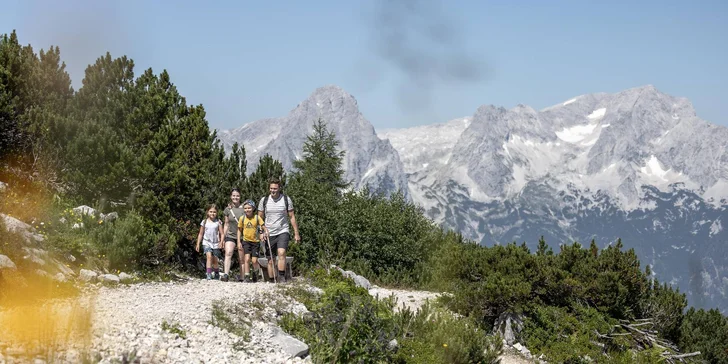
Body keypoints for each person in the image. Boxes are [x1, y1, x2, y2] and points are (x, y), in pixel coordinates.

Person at [258, 178, 300, 283]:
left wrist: (296, 233)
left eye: (275, 188)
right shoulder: (264, 200)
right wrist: (261, 232)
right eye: (271, 188)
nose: (273, 190)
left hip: (283, 230)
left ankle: (281, 277)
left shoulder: (286, 199)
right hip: (268, 232)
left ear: (279, 188)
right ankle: (272, 281)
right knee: (270, 260)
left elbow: (292, 217)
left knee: (282, 252)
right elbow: (259, 218)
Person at [237, 199, 268, 282]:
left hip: (255, 242)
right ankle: (247, 276)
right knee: (246, 259)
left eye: (249, 208)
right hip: (246, 241)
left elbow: (263, 226)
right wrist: (238, 242)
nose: (247, 210)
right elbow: (239, 230)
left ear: (253, 208)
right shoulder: (242, 218)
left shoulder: (257, 218)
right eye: (246, 208)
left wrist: (265, 231)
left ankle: (256, 273)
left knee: (254, 260)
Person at [195, 204, 224, 280]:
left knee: (215, 260)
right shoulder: (204, 222)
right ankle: (208, 274)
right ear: (207, 212)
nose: (212, 213)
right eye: (210, 212)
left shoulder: (218, 222)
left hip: (215, 243)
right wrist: (198, 243)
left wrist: (221, 242)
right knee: (209, 257)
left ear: (217, 213)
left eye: (214, 212)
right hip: (206, 242)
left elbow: (222, 233)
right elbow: (201, 233)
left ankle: (216, 272)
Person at [222, 188, 245, 282]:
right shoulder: (227, 210)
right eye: (234, 195)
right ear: (231, 197)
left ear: (240, 197)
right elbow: (226, 224)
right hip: (230, 235)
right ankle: (226, 274)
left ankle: (242, 277)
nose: (235, 197)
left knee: (241, 258)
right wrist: (222, 238)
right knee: (228, 252)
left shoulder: (244, 208)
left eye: (237, 195)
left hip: (243, 236)